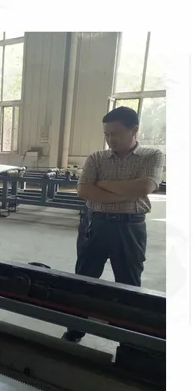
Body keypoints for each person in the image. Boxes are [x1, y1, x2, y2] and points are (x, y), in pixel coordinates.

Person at [62, 106, 165, 343]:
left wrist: (104, 184)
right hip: (94, 225)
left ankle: (128, 339)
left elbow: (145, 187)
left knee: (129, 284)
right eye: (107, 134)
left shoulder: (152, 156)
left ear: (134, 130)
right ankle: (75, 330)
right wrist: (127, 193)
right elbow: (84, 191)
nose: (110, 139)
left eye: (115, 134)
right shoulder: (96, 158)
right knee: (84, 280)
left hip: (130, 228)